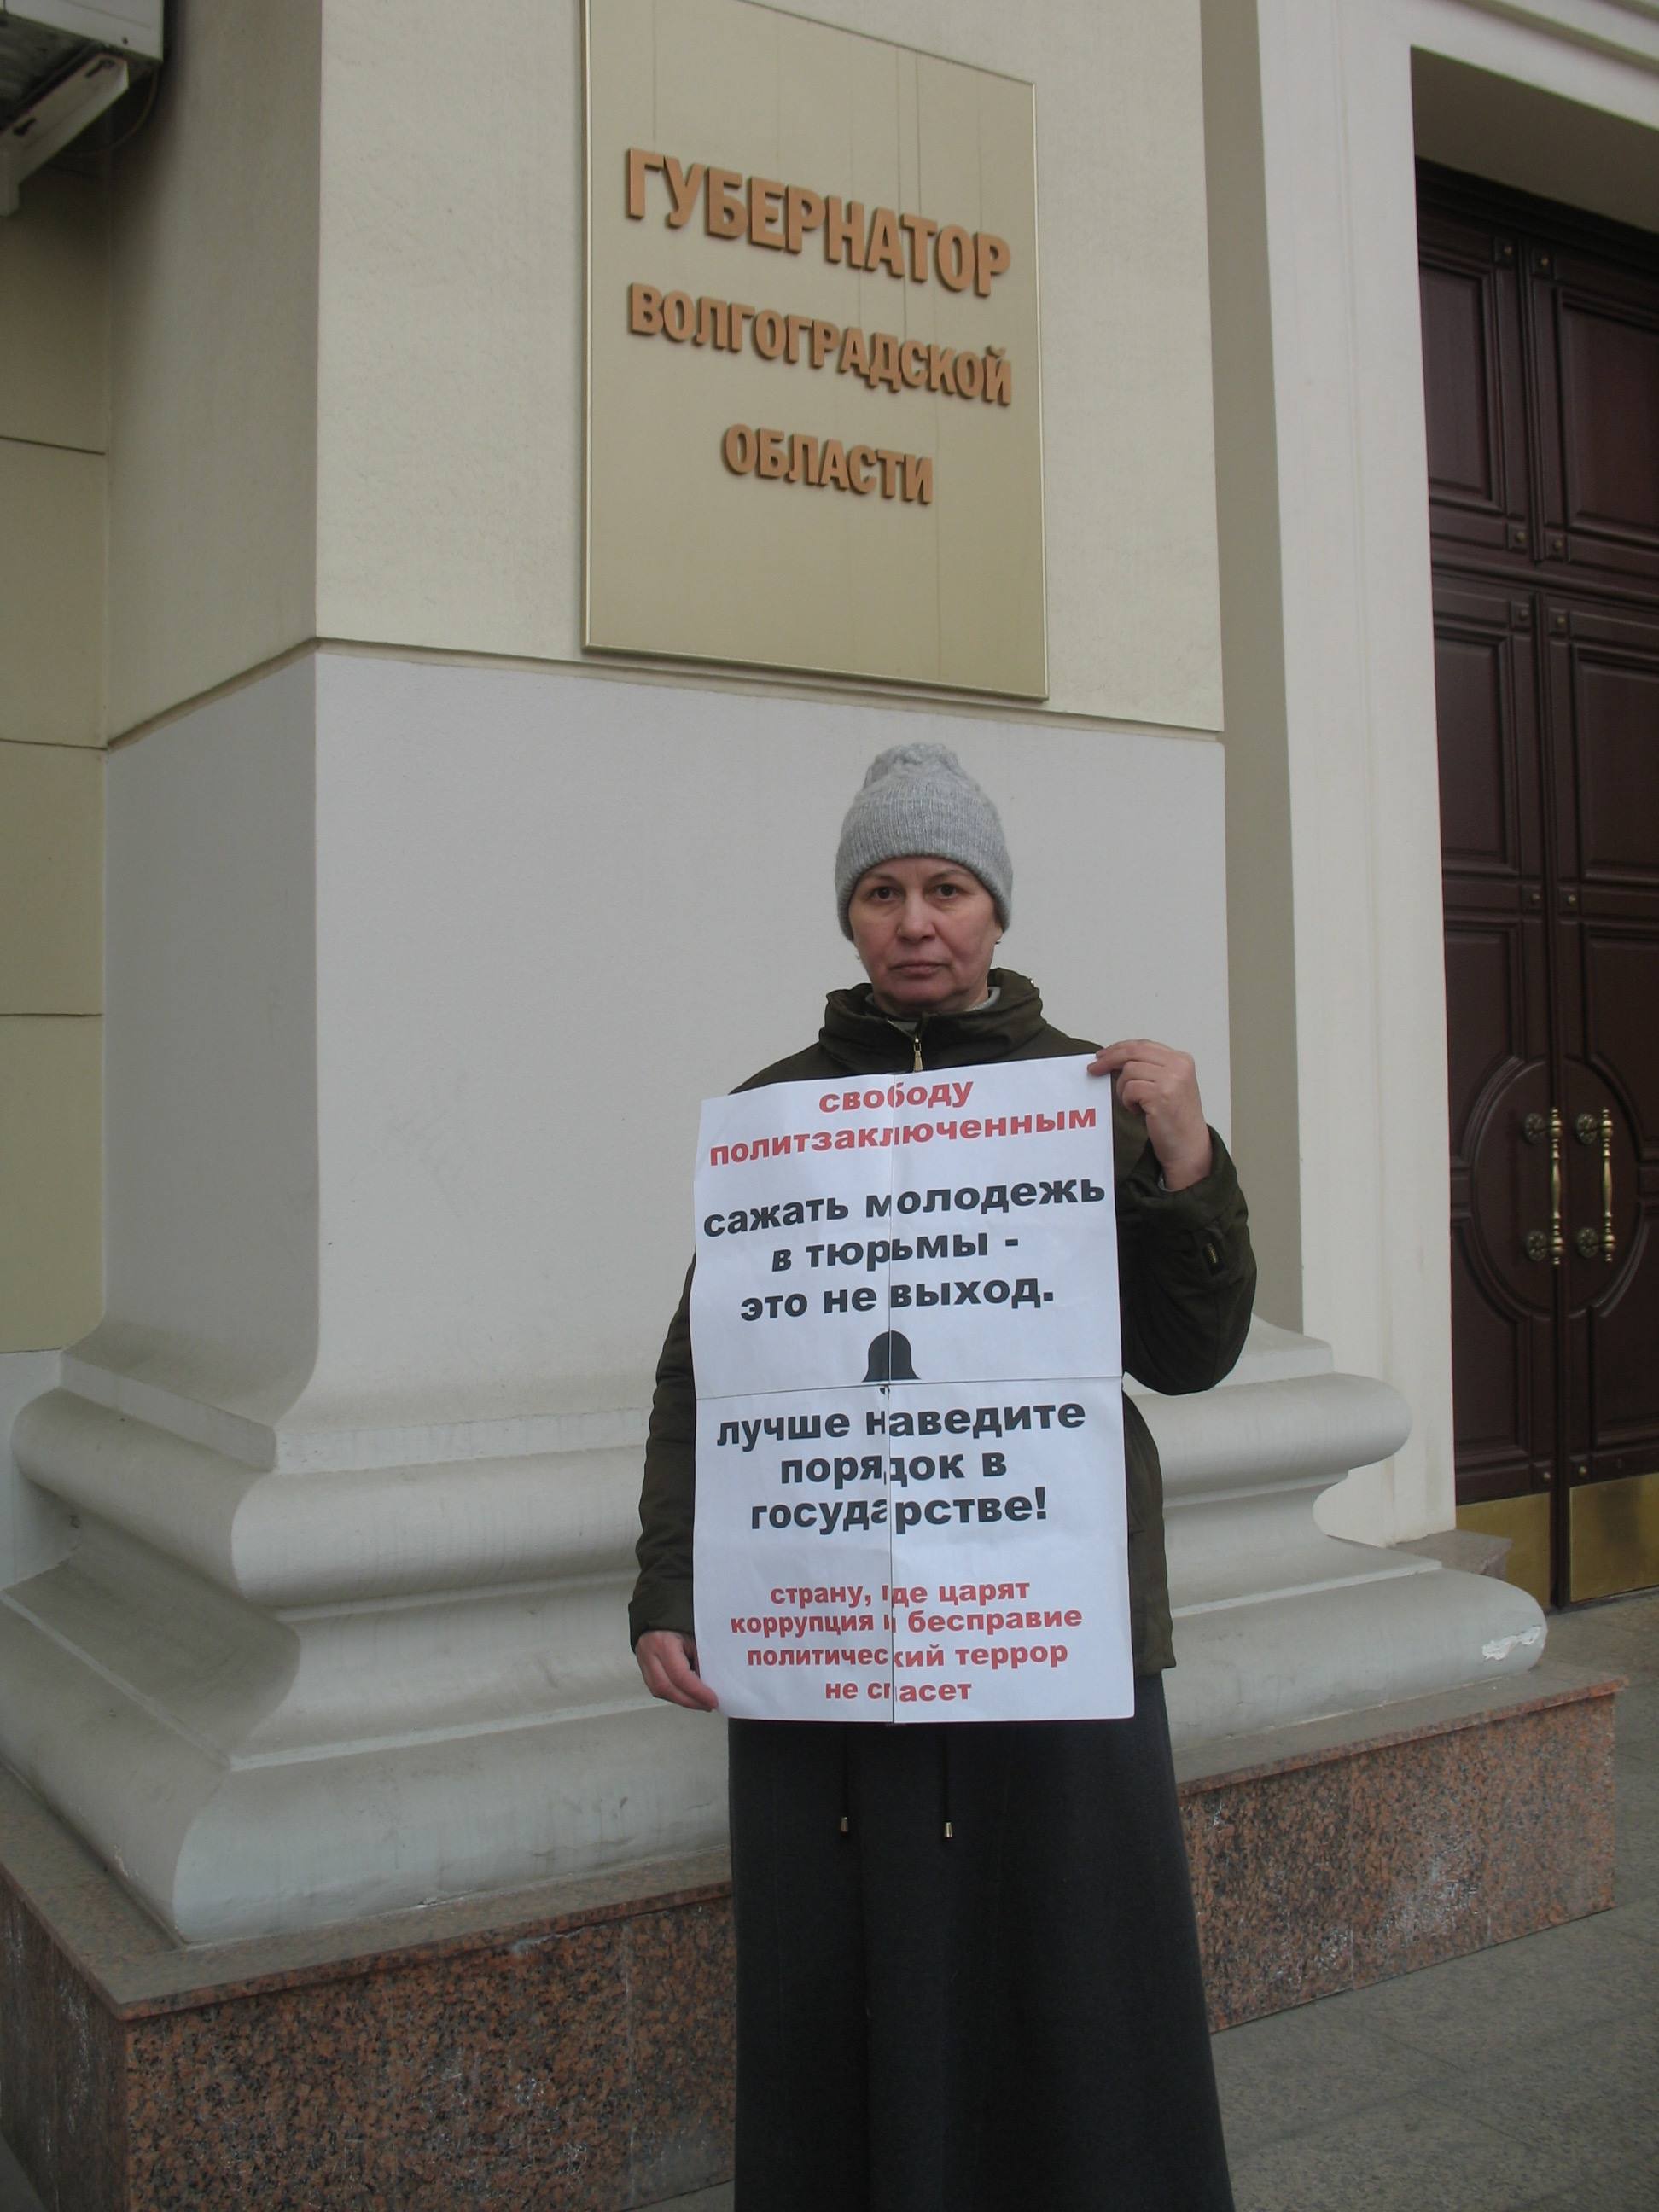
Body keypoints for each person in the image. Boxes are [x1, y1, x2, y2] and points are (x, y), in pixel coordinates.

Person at [631, 742, 1254, 2212]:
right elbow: (703, 1373)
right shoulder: (776, 1112)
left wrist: (1185, 1158)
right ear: (851, 919)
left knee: (1077, 1970)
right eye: (885, 891)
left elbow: (1191, 1354)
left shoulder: (1085, 1095)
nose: (917, 921)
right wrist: (672, 1577)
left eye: (948, 888)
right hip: (828, 1624)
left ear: (997, 913)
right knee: (851, 1970)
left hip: (1055, 1615)